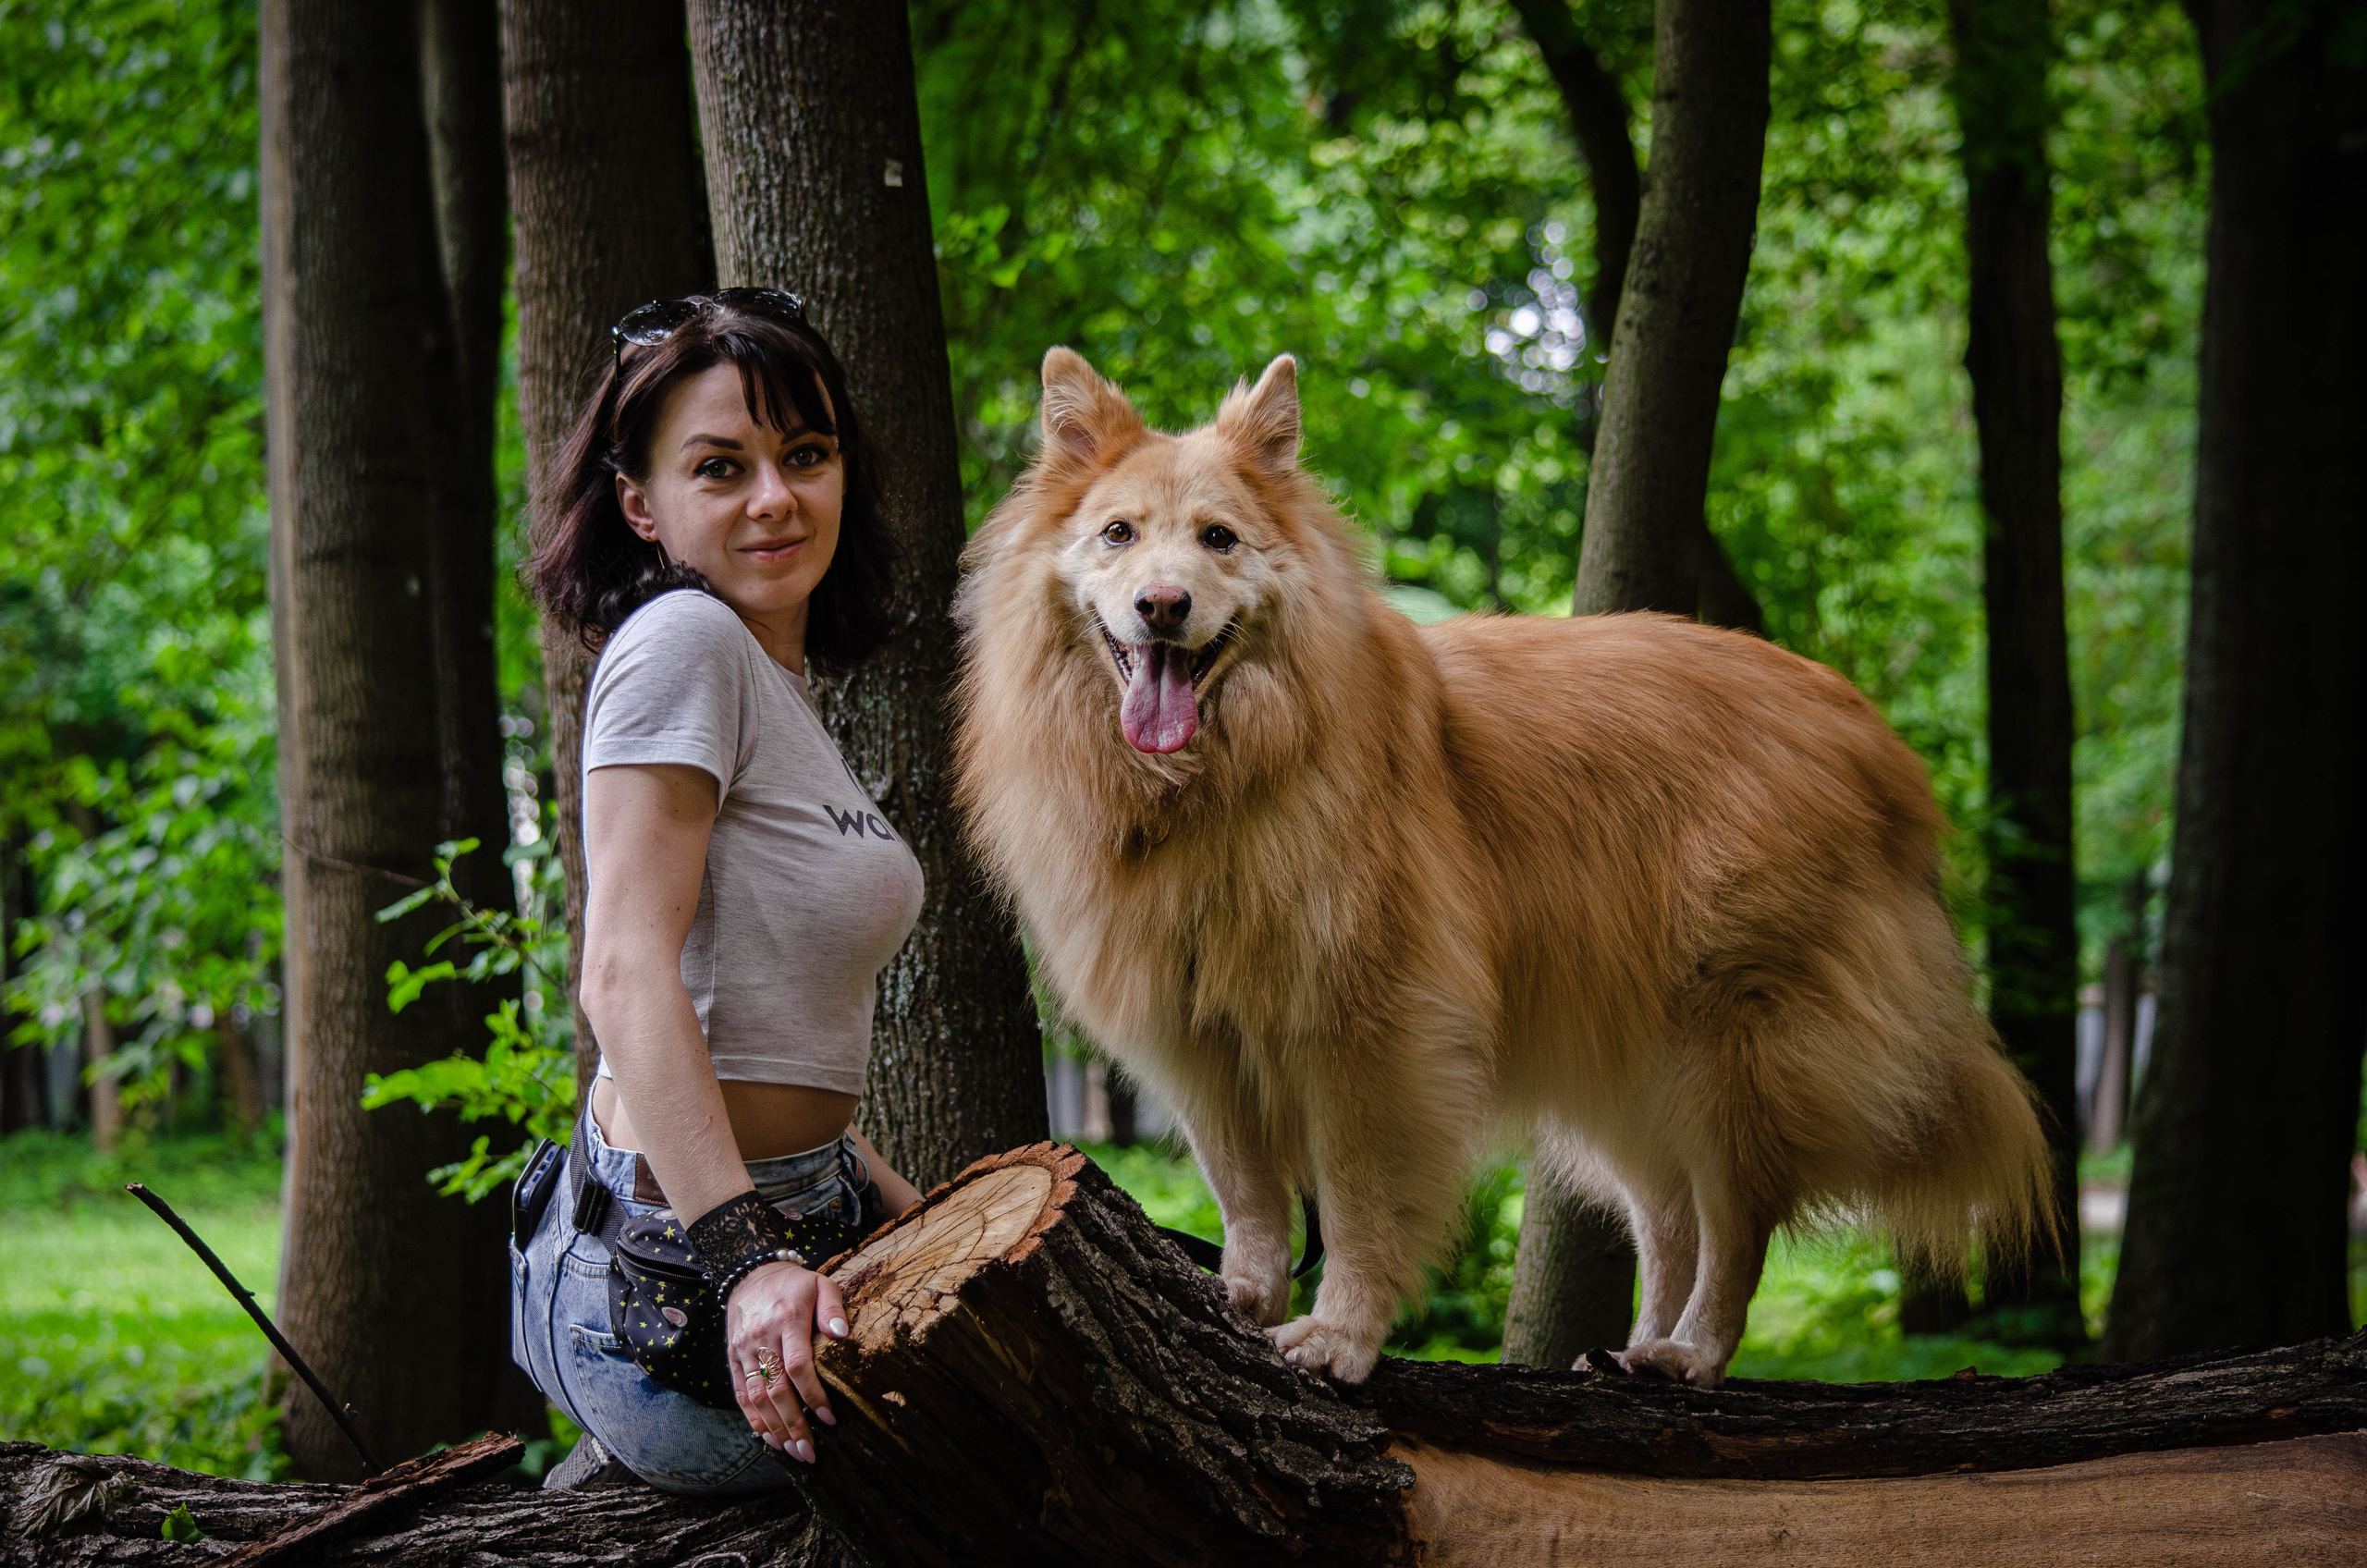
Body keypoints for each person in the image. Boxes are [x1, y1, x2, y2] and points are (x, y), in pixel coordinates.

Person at [513, 289, 924, 1495]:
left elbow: (756, 1024)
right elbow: (625, 971)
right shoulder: (681, 641)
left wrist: (926, 1214)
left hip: (794, 1215)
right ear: (641, 505)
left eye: (806, 455)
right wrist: (748, 1265)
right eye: (720, 467)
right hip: (674, 1281)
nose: (774, 498)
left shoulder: (768, 684)